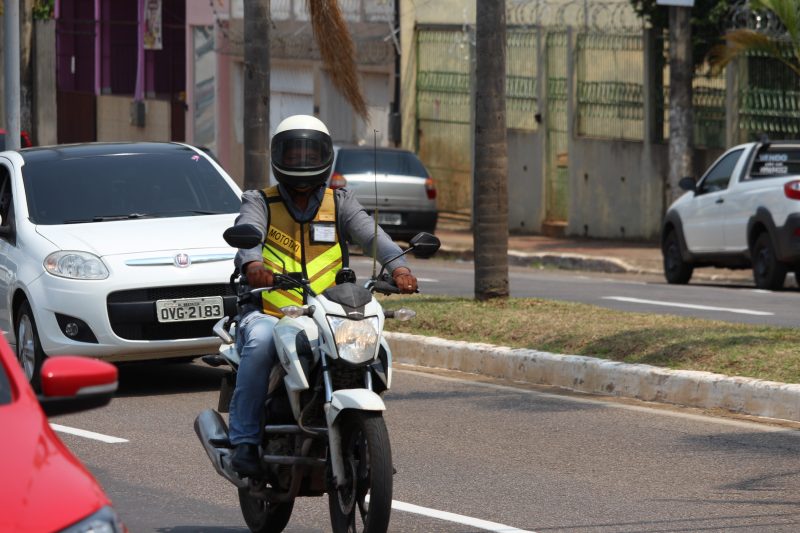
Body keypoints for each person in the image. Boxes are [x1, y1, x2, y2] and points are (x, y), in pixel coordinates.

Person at [229, 114, 418, 477]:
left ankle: (363, 436)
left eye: (310, 153)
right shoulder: (261, 201)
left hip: (328, 311)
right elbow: (247, 231)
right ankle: (245, 440)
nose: (302, 161)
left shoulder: (340, 202)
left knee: (368, 346)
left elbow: (372, 235)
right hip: (271, 311)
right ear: (278, 155)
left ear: (325, 155)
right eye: (293, 153)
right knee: (260, 344)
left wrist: (399, 268)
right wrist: (253, 264)